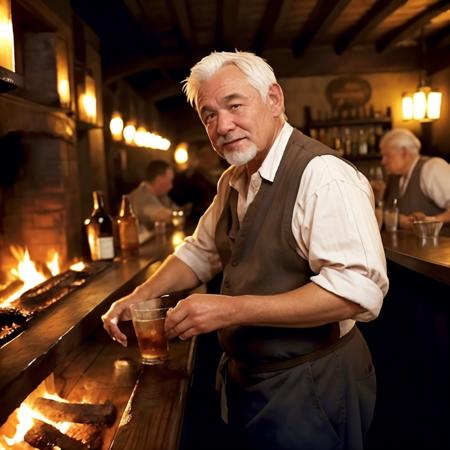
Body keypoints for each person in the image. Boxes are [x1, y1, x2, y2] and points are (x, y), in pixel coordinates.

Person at [102, 51, 388, 450]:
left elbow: (356, 292)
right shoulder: (232, 180)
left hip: (312, 385)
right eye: (209, 115)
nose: (223, 125)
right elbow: (199, 252)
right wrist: (138, 296)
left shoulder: (324, 176)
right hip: (251, 383)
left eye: (234, 105)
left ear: (274, 100)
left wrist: (229, 309)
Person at [379, 128, 450, 233]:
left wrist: (431, 221)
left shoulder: (431, 168)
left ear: (404, 152)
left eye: (387, 155)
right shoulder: (395, 177)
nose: (383, 161)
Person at [127, 159, 178, 231]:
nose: (171, 186)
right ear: (159, 180)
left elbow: (176, 210)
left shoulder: (162, 196)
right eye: (170, 181)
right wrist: (177, 215)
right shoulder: (140, 197)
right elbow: (160, 216)